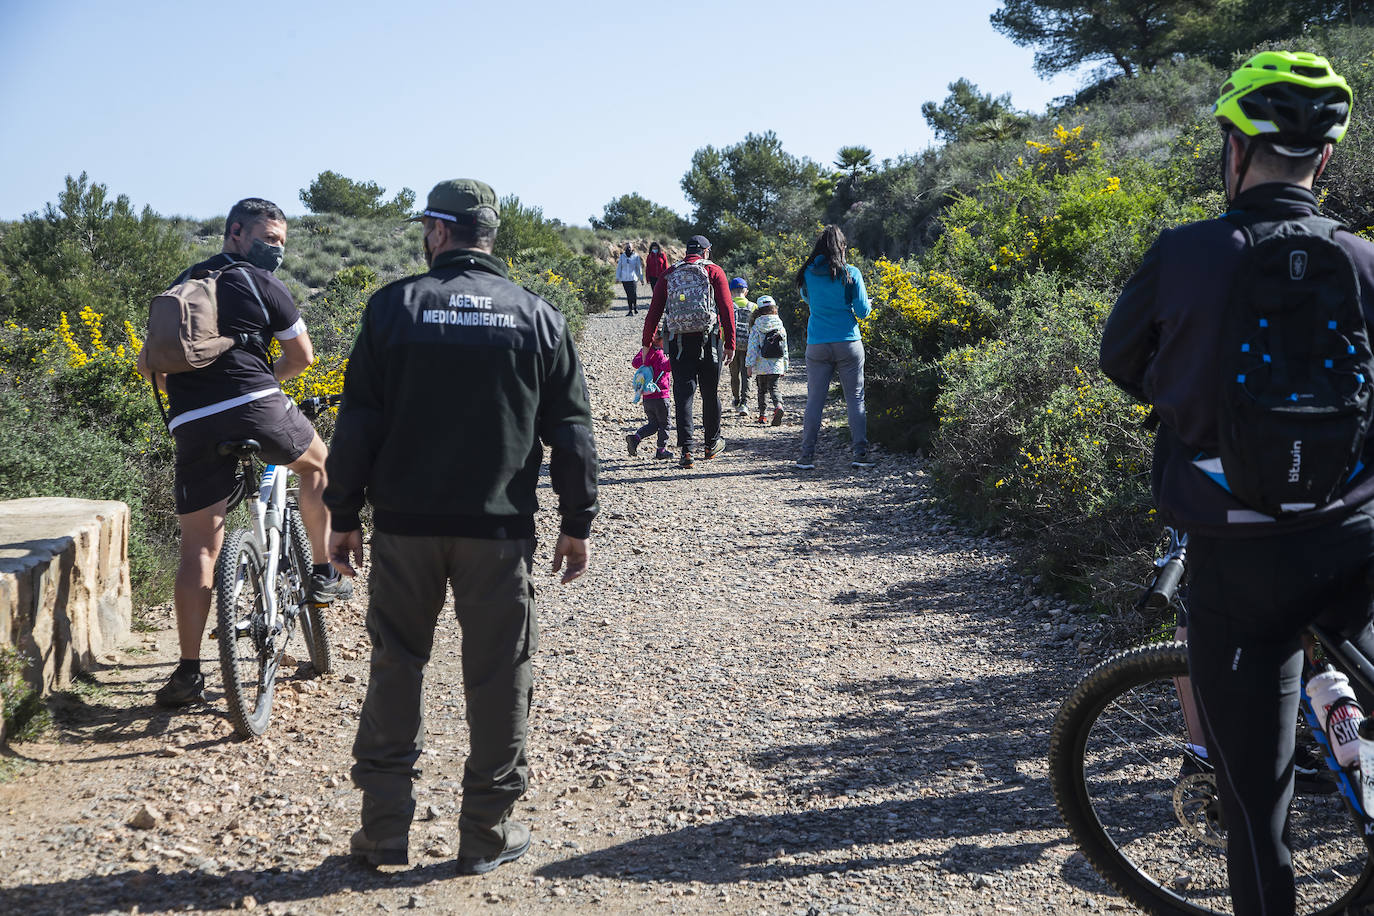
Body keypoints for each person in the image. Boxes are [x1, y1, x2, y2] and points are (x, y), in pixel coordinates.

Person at [1099, 52, 1371, 915]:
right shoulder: (1365, 261)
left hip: (1235, 554)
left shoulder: (1183, 255)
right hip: (1353, 545)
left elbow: (1121, 360)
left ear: (1234, 146)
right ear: (1323, 161)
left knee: (1260, 817)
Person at [323, 180, 599, 875]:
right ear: (490, 235)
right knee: (500, 675)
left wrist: (343, 513)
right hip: (498, 532)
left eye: (426, 226)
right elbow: (570, 430)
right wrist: (576, 519)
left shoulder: (393, 308)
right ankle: (487, 832)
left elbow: (357, 422)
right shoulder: (539, 316)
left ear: (440, 232)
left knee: (396, 663)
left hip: (406, 528)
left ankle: (384, 831)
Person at [137, 197, 351, 709]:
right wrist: (263, 388)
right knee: (319, 464)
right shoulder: (262, 283)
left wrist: (195, 403)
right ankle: (323, 572)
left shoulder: (180, 288)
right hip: (258, 404)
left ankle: (188, 673)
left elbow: (150, 365)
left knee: (199, 551)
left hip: (191, 421)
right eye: (268, 239)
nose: (276, 250)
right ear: (236, 232)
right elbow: (302, 357)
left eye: (281, 242)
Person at [640, 234, 736, 468]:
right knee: (710, 392)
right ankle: (711, 444)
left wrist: (646, 344)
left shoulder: (670, 273)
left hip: (678, 341)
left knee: (684, 394)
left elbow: (654, 311)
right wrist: (730, 342)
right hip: (709, 340)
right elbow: (726, 308)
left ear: (687, 252)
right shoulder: (714, 271)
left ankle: (686, 452)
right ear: (706, 251)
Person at [795, 225, 873, 470]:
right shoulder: (851, 273)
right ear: (841, 247)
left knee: (815, 401)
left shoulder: (807, 272)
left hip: (817, 343)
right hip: (848, 341)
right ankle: (860, 453)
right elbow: (862, 311)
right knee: (855, 399)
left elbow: (806, 298)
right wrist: (865, 304)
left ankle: (806, 456)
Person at [626, 328, 672, 459]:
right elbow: (666, 367)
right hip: (660, 395)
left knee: (653, 424)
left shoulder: (645, 352)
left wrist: (645, 357)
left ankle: (635, 438)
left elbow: (635, 362)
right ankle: (661, 450)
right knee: (665, 424)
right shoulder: (659, 354)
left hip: (647, 396)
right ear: (661, 340)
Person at [746, 296, 788, 426]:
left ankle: (762, 416)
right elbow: (784, 347)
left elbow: (752, 347)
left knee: (762, 390)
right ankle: (778, 406)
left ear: (758, 311)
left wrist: (749, 365)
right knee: (774, 387)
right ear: (774, 309)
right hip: (776, 364)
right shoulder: (780, 325)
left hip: (761, 364)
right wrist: (785, 366)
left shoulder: (756, 326)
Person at [728, 277, 754, 416]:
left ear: (730, 292)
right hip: (749, 346)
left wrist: (724, 343)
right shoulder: (753, 306)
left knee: (734, 375)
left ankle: (736, 399)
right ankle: (745, 403)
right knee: (746, 375)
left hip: (732, 346)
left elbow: (722, 327)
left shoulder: (728, 305)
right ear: (746, 291)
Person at [617, 242, 645, 316]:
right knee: (628, 295)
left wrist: (641, 278)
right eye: (627, 247)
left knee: (633, 294)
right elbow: (619, 267)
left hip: (633, 278)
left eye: (630, 247)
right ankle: (630, 310)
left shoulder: (636, 256)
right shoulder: (622, 256)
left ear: (632, 248)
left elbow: (639, 268)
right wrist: (618, 277)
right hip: (624, 279)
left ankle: (635, 307)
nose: (628, 248)